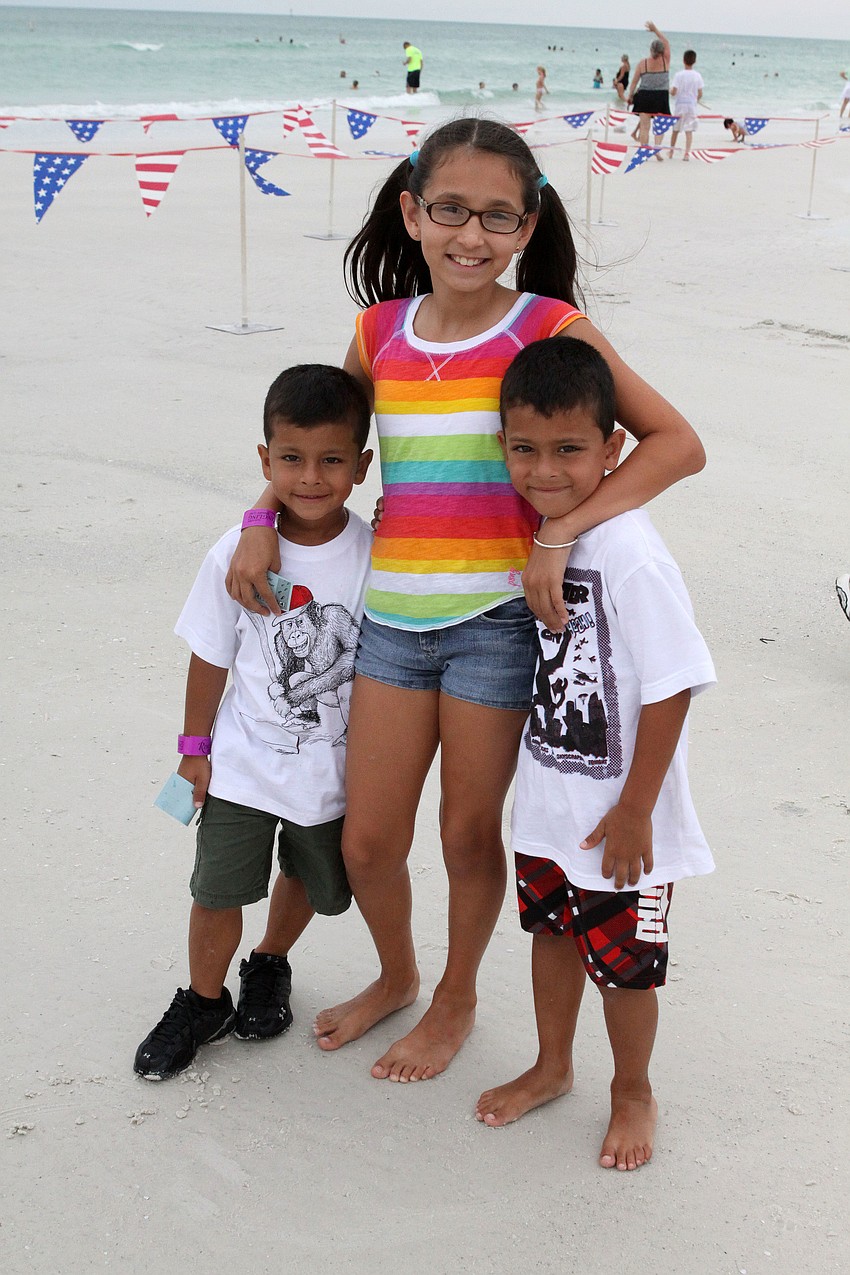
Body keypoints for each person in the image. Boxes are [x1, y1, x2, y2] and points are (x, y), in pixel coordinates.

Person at [226, 117, 705, 1085]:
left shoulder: (549, 329)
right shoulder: (377, 333)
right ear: (412, 212)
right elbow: (322, 446)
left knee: (463, 832)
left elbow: (673, 444)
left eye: (497, 216)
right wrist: (258, 515)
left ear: (528, 225)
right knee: (367, 838)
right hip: (393, 624)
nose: (470, 236)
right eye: (450, 211)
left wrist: (562, 533)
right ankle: (398, 974)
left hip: (498, 628)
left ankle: (456, 996)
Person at [476, 338, 715, 1170]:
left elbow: (674, 683)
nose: (545, 470)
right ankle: (551, 1064)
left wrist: (636, 807)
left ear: (612, 449)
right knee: (549, 938)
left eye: (571, 449)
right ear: (502, 444)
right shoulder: (547, 532)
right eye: (525, 449)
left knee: (626, 971)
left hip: (628, 822)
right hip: (550, 804)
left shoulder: (631, 550)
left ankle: (633, 1089)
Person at [134, 365, 374, 1081]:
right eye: (292, 459)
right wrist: (193, 749)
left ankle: (269, 960)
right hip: (242, 762)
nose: (310, 477)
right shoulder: (235, 553)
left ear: (361, 466)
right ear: (265, 462)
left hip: (328, 771)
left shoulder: (372, 555)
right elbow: (210, 656)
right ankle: (204, 998)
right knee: (216, 889)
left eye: (332, 460)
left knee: (307, 875)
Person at [627, 20, 671, 156]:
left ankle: (644, 150)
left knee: (645, 126)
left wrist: (630, 96)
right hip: (661, 96)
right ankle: (657, 148)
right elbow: (666, 42)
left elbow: (634, 82)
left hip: (644, 96)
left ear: (651, 50)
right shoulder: (665, 60)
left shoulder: (643, 64)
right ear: (662, 51)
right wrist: (655, 30)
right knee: (660, 124)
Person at [668, 49, 704, 160]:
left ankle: (671, 152)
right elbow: (700, 93)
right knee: (689, 130)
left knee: (676, 129)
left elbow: (674, 92)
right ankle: (687, 153)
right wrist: (696, 99)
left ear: (683, 60)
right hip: (691, 105)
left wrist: (669, 91)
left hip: (680, 105)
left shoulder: (679, 75)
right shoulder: (697, 75)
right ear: (695, 61)